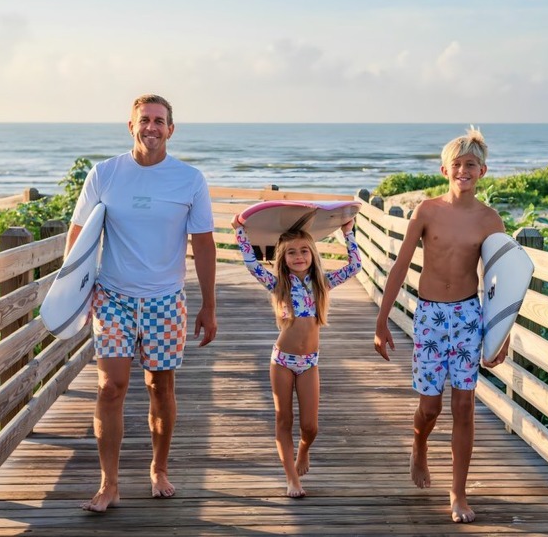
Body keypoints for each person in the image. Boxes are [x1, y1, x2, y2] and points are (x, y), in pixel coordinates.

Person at [67, 94, 218, 512]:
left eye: (159, 120)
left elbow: (204, 245)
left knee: (160, 387)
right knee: (110, 387)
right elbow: (78, 235)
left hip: (165, 300)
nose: (152, 127)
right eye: (144, 120)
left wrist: (209, 305)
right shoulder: (104, 173)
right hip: (112, 296)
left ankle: (159, 469)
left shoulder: (189, 179)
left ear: (171, 129)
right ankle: (109, 483)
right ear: (130, 125)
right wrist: (73, 296)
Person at [373, 127, 508, 523]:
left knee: (464, 406)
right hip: (430, 316)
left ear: (482, 171)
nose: (463, 170)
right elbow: (400, 266)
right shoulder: (427, 211)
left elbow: (500, 281)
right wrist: (381, 320)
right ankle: (419, 444)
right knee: (429, 408)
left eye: (471, 165)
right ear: (444, 170)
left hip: (467, 316)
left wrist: (503, 335)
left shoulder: (490, 220)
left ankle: (458, 493)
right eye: (457, 164)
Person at [231, 214, 362, 498]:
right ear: (283, 258)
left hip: (309, 363)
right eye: (291, 252)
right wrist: (240, 231)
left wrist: (347, 232)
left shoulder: (322, 284)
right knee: (284, 419)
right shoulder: (279, 284)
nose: (299, 256)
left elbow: (355, 266)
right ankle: (292, 480)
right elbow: (252, 264)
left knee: (310, 427)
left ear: (313, 254)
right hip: (282, 361)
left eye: (304, 251)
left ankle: (303, 449)